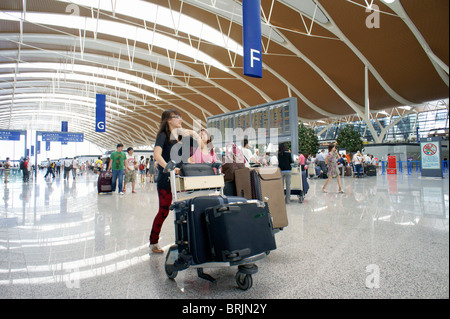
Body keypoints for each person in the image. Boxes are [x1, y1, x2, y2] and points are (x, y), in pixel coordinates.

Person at [149, 109, 200, 254]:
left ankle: (188, 241)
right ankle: (153, 242)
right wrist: (169, 168)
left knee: (186, 211)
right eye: (177, 117)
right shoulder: (163, 136)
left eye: (181, 117)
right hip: (166, 180)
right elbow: (157, 155)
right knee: (164, 211)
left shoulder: (183, 139)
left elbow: (191, 153)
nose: (180, 120)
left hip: (181, 181)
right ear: (168, 120)